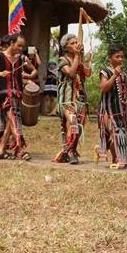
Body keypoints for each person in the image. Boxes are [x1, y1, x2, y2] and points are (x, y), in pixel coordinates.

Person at [0, 33, 37, 160]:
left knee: (11, 123)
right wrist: (1, 73)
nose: (21, 48)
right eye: (19, 45)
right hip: (5, 95)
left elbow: (34, 71)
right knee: (14, 120)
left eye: (22, 46)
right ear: (11, 44)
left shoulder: (21, 59)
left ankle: (0, 150)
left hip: (18, 94)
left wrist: (28, 76)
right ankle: (20, 149)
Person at [53, 33, 91, 164]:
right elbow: (71, 73)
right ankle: (69, 151)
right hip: (67, 99)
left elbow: (88, 73)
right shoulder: (62, 60)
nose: (76, 45)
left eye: (77, 43)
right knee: (73, 122)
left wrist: (82, 57)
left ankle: (69, 150)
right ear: (66, 47)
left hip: (80, 98)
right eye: (73, 43)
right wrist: (76, 57)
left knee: (77, 126)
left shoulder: (78, 58)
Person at [96, 44, 127, 169]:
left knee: (122, 133)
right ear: (109, 58)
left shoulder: (124, 72)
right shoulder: (105, 72)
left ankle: (119, 158)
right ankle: (116, 157)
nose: (120, 59)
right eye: (117, 57)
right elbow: (104, 88)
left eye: (122, 57)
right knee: (113, 133)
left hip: (121, 109)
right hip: (108, 109)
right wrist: (115, 75)